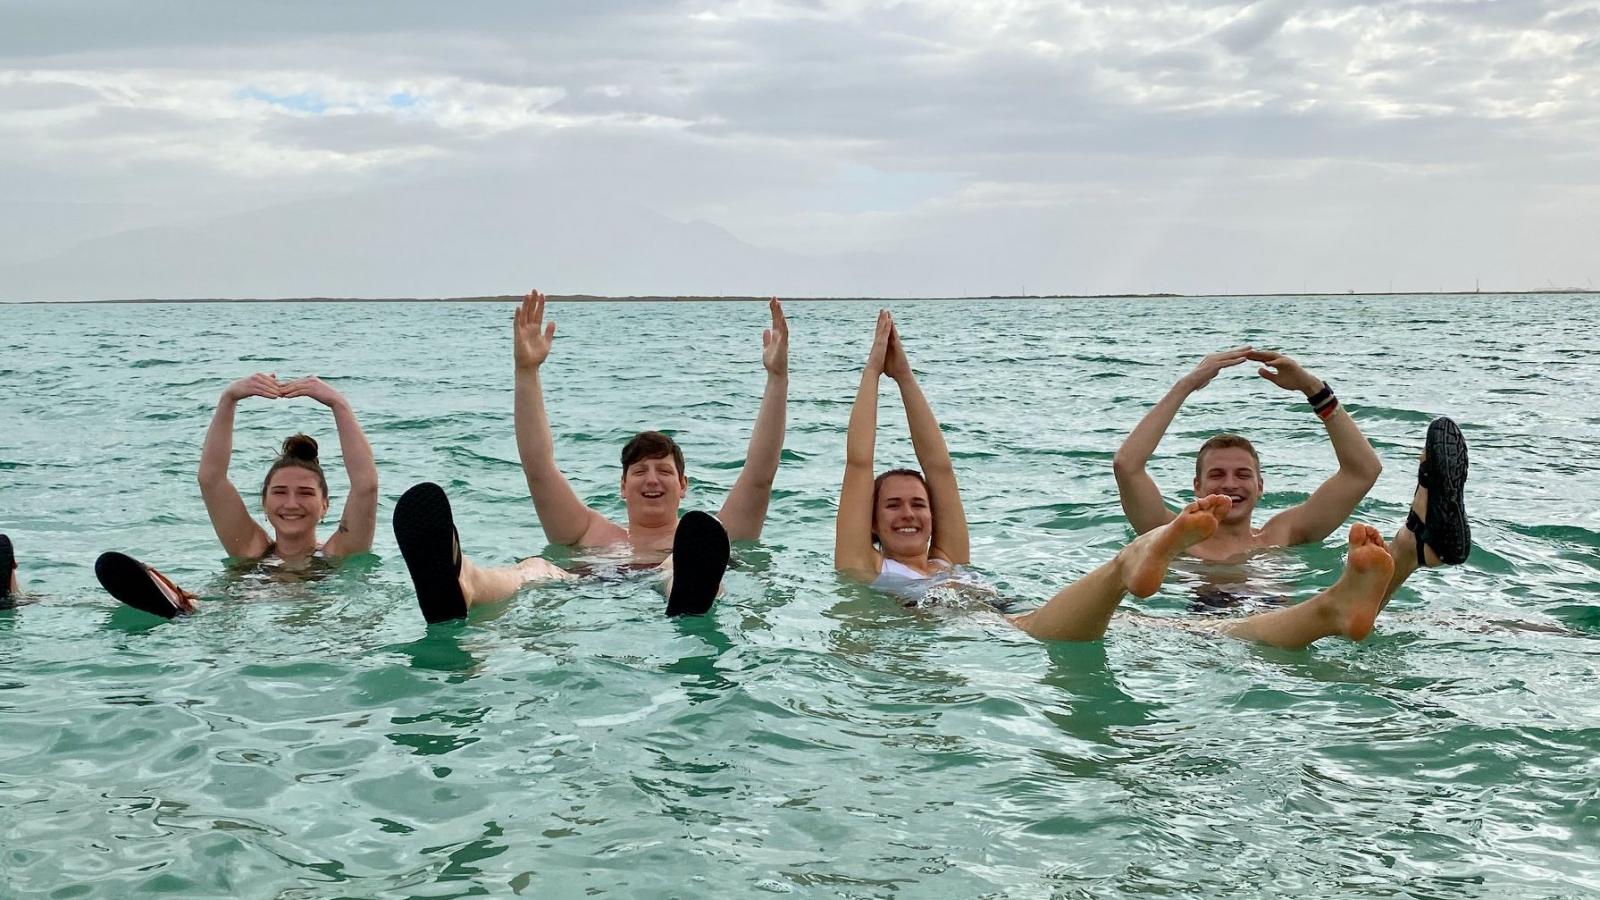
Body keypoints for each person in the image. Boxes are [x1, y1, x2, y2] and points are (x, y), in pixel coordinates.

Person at [835, 312, 1397, 650]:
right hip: (1002, 634)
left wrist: (905, 377)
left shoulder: (948, 556)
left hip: (1019, 613)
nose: (910, 512)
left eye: (918, 505)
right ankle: (1136, 560)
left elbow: (942, 469)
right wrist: (871, 374)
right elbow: (859, 466)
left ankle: (1337, 604)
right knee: (1209, 636)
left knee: (1206, 638)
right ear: (872, 525)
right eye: (894, 508)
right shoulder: (866, 567)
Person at [395, 290, 789, 623]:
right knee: (536, 567)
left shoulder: (711, 536)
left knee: (679, 563)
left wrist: (777, 379)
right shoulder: (589, 534)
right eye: (640, 471)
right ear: (622, 486)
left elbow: (759, 475)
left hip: (676, 579)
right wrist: (526, 371)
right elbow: (538, 469)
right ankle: (464, 584)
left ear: (683, 486)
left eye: (665, 471)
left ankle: (688, 591)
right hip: (589, 586)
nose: (652, 478)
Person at [1113, 346, 1470, 609]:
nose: (1230, 484)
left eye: (1243, 474)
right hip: (1208, 634)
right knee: (1338, 613)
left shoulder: (1282, 534)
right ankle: (1408, 548)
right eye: (1216, 474)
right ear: (1197, 487)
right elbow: (1127, 466)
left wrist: (1313, 388)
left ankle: (1407, 548)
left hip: (1280, 626)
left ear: (1260, 486)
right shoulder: (1170, 538)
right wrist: (1186, 385)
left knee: (1336, 619)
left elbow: (1363, 471)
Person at [95, 374, 380, 618]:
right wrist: (229, 399)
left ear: (325, 505)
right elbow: (211, 479)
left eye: (305, 493)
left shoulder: (340, 554)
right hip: (233, 634)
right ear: (264, 502)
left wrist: (338, 404)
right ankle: (182, 608)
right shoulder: (250, 549)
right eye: (279, 492)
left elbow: (365, 485)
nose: (291, 503)